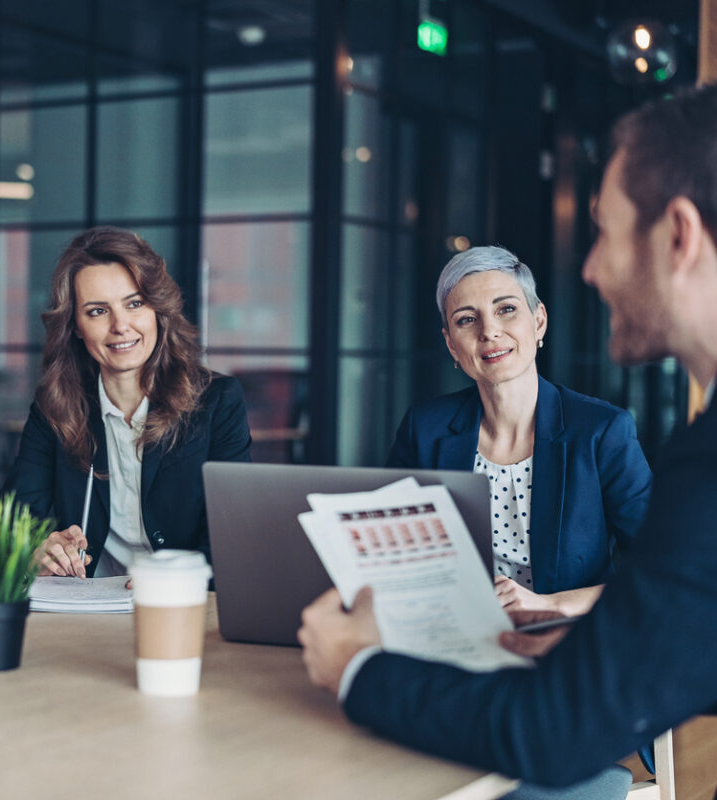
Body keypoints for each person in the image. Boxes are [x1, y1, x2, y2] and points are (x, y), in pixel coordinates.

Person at [298, 84, 717, 793]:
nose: (590, 268)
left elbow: (556, 733)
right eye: (468, 319)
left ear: (676, 236)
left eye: (604, 232)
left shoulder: (686, 462)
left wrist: (360, 667)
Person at [387, 246, 651, 619]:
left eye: (506, 309)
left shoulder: (602, 432)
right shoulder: (424, 429)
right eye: (466, 320)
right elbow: (389, 555)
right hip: (453, 632)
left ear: (538, 321)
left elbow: (664, 568)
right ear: (451, 344)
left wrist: (551, 605)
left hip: (564, 643)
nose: (489, 331)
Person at [4, 226, 252, 578]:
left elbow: (233, 536)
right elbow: (16, 519)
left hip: (177, 606)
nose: (121, 326)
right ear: (75, 326)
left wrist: (172, 577)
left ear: (157, 310)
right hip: (85, 613)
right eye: (97, 311)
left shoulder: (217, 402)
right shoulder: (55, 406)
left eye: (134, 304)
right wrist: (40, 546)